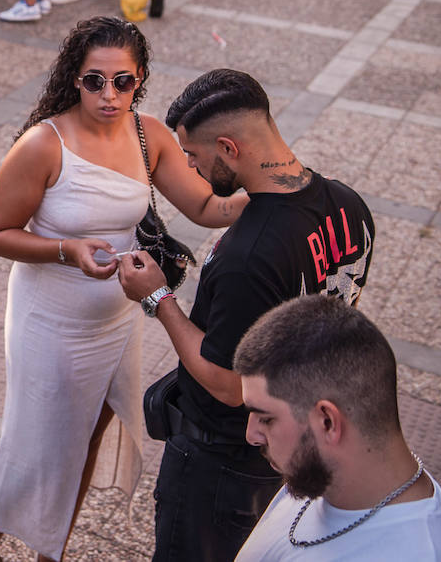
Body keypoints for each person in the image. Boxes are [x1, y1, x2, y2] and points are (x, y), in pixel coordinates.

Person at [0, 17, 245, 562]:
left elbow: (209, 207)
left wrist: (272, 189)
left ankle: (49, 552)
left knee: (90, 431)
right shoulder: (44, 145)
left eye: (124, 82)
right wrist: (68, 249)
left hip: (117, 320)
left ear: (139, 80)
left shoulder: (149, 135)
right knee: (39, 441)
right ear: (75, 79)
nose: (109, 94)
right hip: (50, 321)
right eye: (95, 81)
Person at [117, 68, 375, 562]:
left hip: (225, 460)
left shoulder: (249, 256)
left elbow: (227, 383)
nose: (190, 167)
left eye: (194, 155)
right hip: (298, 442)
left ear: (230, 149)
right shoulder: (349, 205)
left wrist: (157, 298)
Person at [233, 297, 441, 560]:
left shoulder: (419, 553)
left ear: (328, 422)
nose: (251, 436)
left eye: (266, 418)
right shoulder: (316, 472)